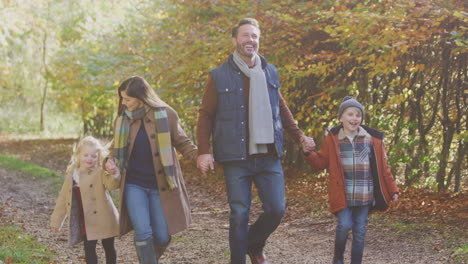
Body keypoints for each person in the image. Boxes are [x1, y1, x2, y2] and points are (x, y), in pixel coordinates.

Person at [196, 17, 315, 264]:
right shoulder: (218, 75)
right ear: (234, 39)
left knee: (276, 209)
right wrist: (204, 151)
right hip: (235, 157)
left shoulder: (269, 71)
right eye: (245, 35)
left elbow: (280, 108)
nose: (250, 40)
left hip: (268, 154)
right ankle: (238, 259)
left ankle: (253, 244)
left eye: (254, 36)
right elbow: (206, 115)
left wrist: (299, 136)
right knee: (239, 213)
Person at [107, 76, 197, 264]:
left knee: (163, 236)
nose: (123, 103)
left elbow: (183, 141)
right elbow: (114, 147)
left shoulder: (166, 114)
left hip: (161, 185)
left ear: (140, 97)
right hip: (133, 184)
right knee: (143, 232)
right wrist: (107, 160)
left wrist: (200, 158)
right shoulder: (122, 120)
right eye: (122, 98)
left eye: (127, 99)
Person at [302, 96, 399, 264]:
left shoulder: (371, 140)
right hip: (343, 195)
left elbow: (384, 169)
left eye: (358, 115)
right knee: (344, 225)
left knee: (360, 231)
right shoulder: (334, 140)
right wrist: (308, 153)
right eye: (350, 114)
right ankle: (338, 259)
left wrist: (393, 190)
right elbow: (321, 162)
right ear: (341, 118)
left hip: (364, 195)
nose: (354, 118)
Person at [50, 136, 120, 264]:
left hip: (104, 216)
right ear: (78, 155)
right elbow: (63, 198)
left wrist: (114, 174)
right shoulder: (73, 175)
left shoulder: (100, 172)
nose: (89, 159)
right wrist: (56, 221)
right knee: (89, 248)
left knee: (109, 247)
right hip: (86, 219)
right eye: (86, 155)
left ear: (98, 157)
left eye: (94, 156)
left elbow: (112, 185)